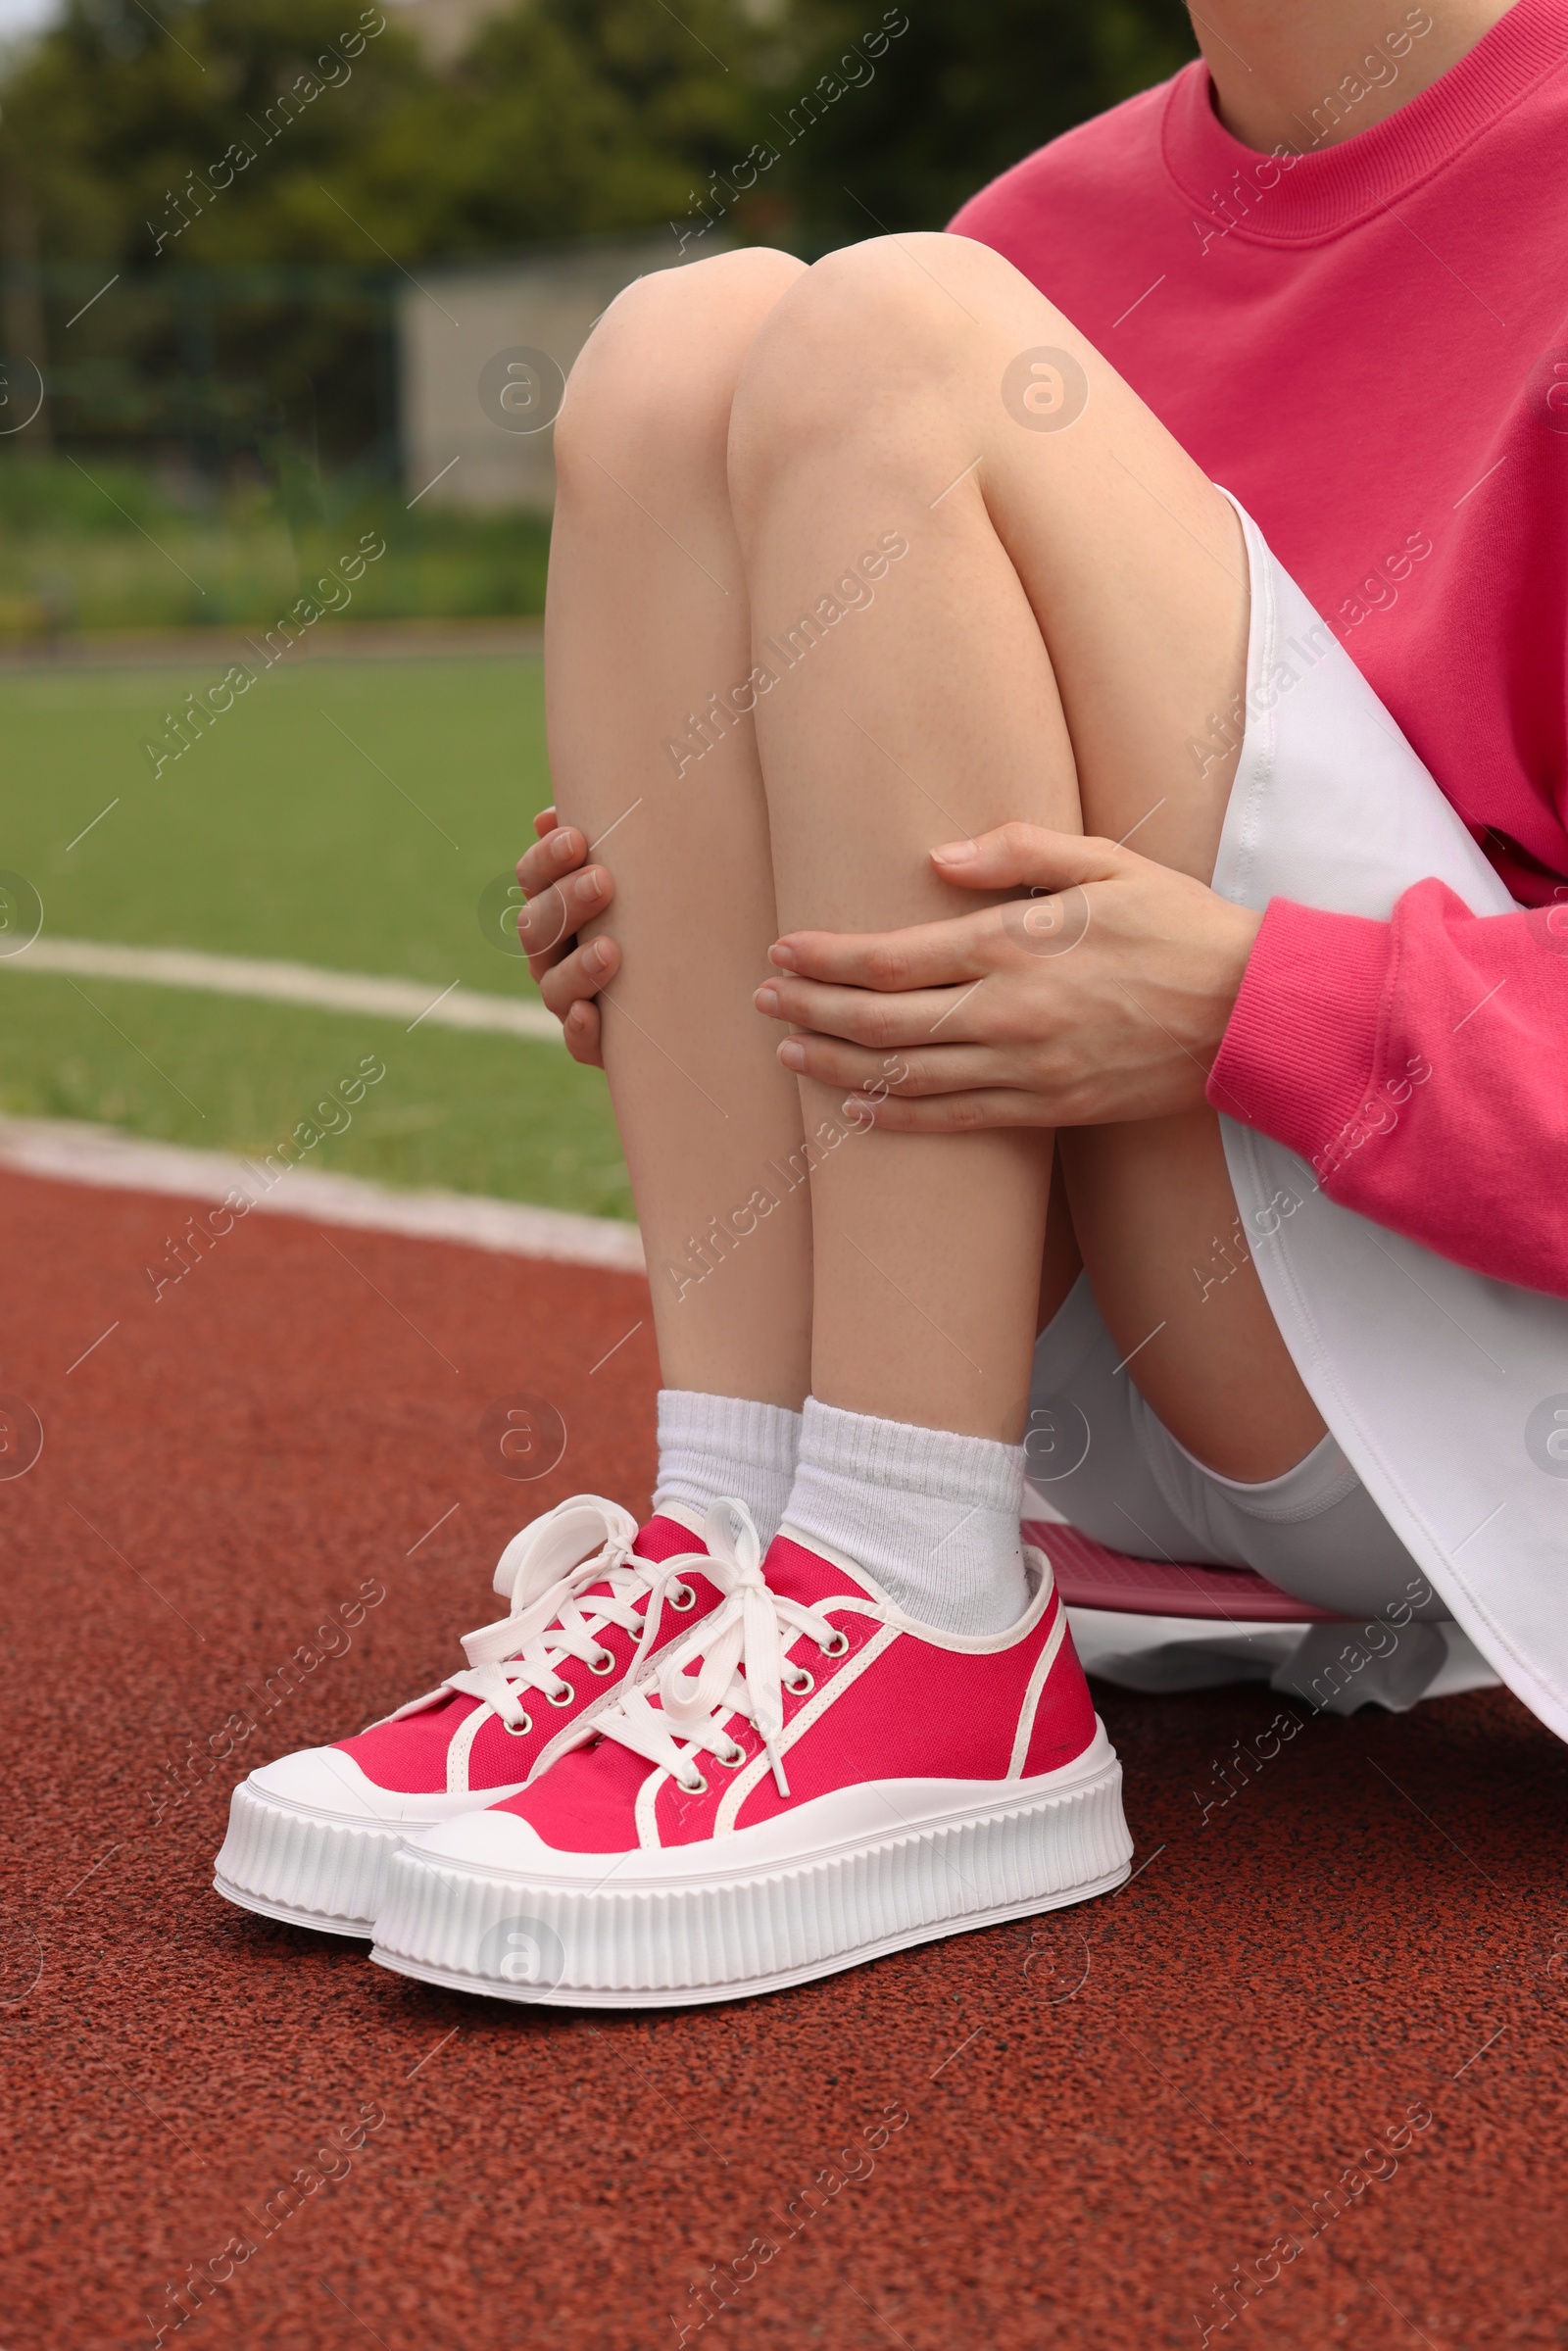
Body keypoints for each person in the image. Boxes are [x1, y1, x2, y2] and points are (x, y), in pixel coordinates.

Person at [218, 0, 1568, 2005]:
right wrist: (687, 915)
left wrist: (1253, 1000)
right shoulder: (1044, 223)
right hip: (1100, 1361)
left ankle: (928, 1615)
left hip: (1475, 1370)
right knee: (683, 349)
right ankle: (753, 1540)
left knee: (901, 339)